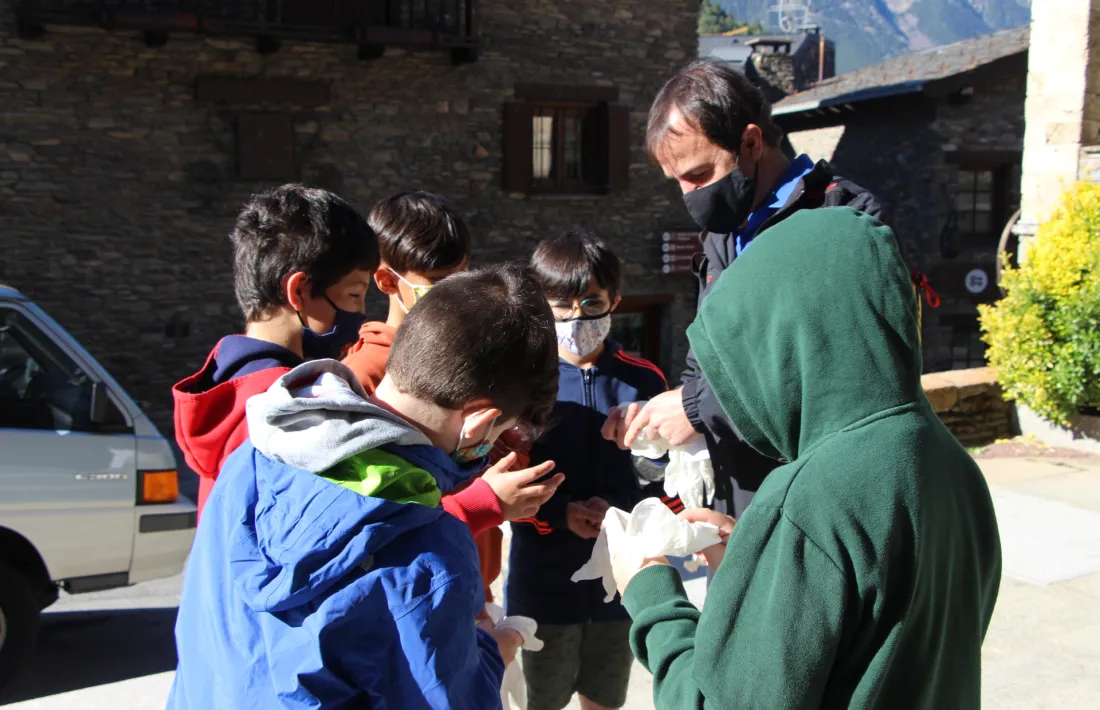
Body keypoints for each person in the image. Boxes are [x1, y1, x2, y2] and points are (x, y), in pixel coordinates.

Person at [612, 208, 1002, 708]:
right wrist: (758, 571)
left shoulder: (809, 499)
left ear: (786, 343)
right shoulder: (952, 463)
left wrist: (652, 598)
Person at [168, 263, 561, 709]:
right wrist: (495, 650)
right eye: (500, 433)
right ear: (479, 422)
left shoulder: (257, 452)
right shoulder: (430, 554)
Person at [604, 59, 909, 521]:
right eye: (678, 182)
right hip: (739, 487)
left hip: (816, 494)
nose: (689, 196)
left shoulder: (846, 218)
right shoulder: (725, 227)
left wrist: (696, 408)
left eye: (700, 175)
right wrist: (672, 417)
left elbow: (834, 369)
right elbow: (710, 347)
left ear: (750, 141)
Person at [341, 191, 560, 604]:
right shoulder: (362, 377)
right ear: (388, 281)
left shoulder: (477, 348)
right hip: (418, 589)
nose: (455, 296)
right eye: (440, 283)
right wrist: (484, 502)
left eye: (462, 277)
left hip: (473, 577)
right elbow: (378, 521)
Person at [506, 231, 669, 710]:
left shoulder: (644, 378)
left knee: (605, 696)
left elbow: (662, 480)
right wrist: (560, 513)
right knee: (543, 698)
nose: (577, 318)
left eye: (591, 303)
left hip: (619, 580)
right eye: (560, 305)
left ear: (615, 301)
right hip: (544, 579)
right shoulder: (522, 381)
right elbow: (502, 483)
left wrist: (620, 512)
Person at [173, 184, 377, 519]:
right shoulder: (289, 408)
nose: (361, 310)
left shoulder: (226, 381)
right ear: (298, 291)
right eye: (354, 294)